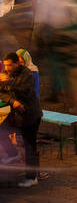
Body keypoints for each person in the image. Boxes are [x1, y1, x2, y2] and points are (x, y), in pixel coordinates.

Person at [0, 49, 43, 186]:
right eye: (5, 65)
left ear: (17, 64)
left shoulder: (27, 74)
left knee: (29, 145)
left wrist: (8, 82)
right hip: (15, 114)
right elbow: (1, 93)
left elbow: (24, 90)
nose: (7, 68)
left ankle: (32, 178)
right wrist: (13, 102)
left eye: (10, 65)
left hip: (30, 114)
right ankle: (12, 154)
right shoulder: (5, 73)